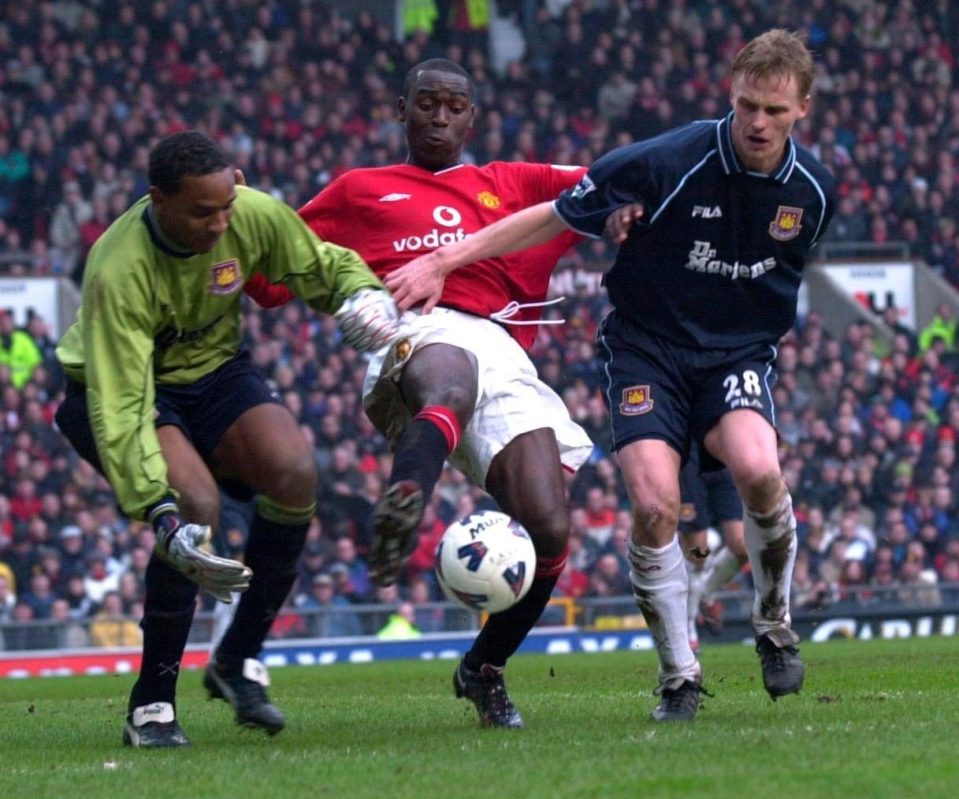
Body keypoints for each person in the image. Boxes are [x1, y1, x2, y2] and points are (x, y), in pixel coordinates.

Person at [389, 31, 836, 721]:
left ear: (801, 108)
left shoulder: (811, 191)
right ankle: (677, 677)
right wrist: (447, 260)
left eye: (774, 111)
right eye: (747, 105)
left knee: (758, 469)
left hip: (733, 356)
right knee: (655, 505)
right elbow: (548, 215)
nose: (756, 123)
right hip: (646, 351)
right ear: (730, 93)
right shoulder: (667, 160)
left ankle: (772, 624)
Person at [250, 58, 594, 728]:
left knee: (551, 528)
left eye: (453, 107)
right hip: (416, 326)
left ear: (473, 117)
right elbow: (274, 271)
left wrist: (631, 208)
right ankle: (405, 495)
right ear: (400, 108)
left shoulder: (509, 183)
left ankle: (483, 668)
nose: (439, 118)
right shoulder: (359, 189)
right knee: (450, 373)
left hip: (505, 350)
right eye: (426, 104)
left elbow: (604, 187)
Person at [54, 130, 398, 748]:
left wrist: (361, 293)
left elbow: (319, 266)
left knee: (295, 472)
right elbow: (123, 401)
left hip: (214, 372)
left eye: (225, 207)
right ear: (157, 199)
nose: (219, 224)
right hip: (118, 389)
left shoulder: (251, 212)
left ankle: (238, 660)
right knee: (193, 507)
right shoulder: (118, 268)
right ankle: (152, 703)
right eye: (201, 211)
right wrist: (157, 511)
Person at [678, 450, 747, 651]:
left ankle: (706, 595)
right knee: (698, 556)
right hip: (689, 463)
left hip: (723, 460)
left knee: (742, 546)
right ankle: (689, 628)